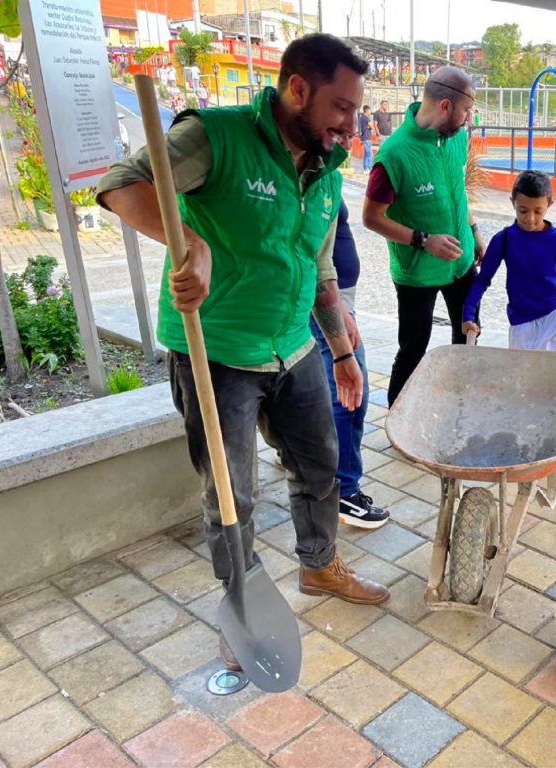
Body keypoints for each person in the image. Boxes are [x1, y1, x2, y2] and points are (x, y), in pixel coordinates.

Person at [97, 34, 390, 671]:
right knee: (232, 495)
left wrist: (340, 350)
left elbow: (318, 265)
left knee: (320, 467)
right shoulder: (217, 137)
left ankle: (319, 566)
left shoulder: (324, 168)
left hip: (294, 346)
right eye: (341, 107)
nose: (350, 124)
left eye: (355, 110)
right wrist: (191, 244)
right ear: (298, 89)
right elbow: (122, 184)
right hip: (219, 354)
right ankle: (242, 607)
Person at [362, 66, 485, 407]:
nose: (468, 118)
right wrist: (423, 240)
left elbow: (456, 190)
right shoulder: (394, 155)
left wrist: (473, 231)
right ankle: (398, 416)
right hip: (417, 271)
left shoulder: (457, 138)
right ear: (445, 106)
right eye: (466, 110)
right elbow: (371, 217)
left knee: (469, 333)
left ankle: (457, 405)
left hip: (460, 262)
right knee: (414, 345)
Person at [312, 141, 390, 527]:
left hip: (337, 295)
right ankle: (343, 492)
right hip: (326, 300)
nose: (347, 130)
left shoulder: (325, 169)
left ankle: (317, 470)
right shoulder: (304, 171)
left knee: (326, 391)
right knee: (350, 395)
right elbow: (308, 252)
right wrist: (337, 307)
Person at [461, 170, 556, 351]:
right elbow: (482, 279)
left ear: (549, 204)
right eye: (522, 210)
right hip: (521, 324)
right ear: (512, 203)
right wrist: (468, 316)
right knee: (524, 378)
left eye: (538, 211)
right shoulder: (504, 239)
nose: (530, 219)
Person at [357, 104, 373, 171]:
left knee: (366, 154)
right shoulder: (367, 118)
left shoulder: (361, 118)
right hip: (367, 137)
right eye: (369, 110)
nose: (370, 112)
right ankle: (368, 167)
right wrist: (370, 127)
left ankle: (365, 168)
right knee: (369, 153)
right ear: (367, 111)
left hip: (363, 137)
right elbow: (371, 127)